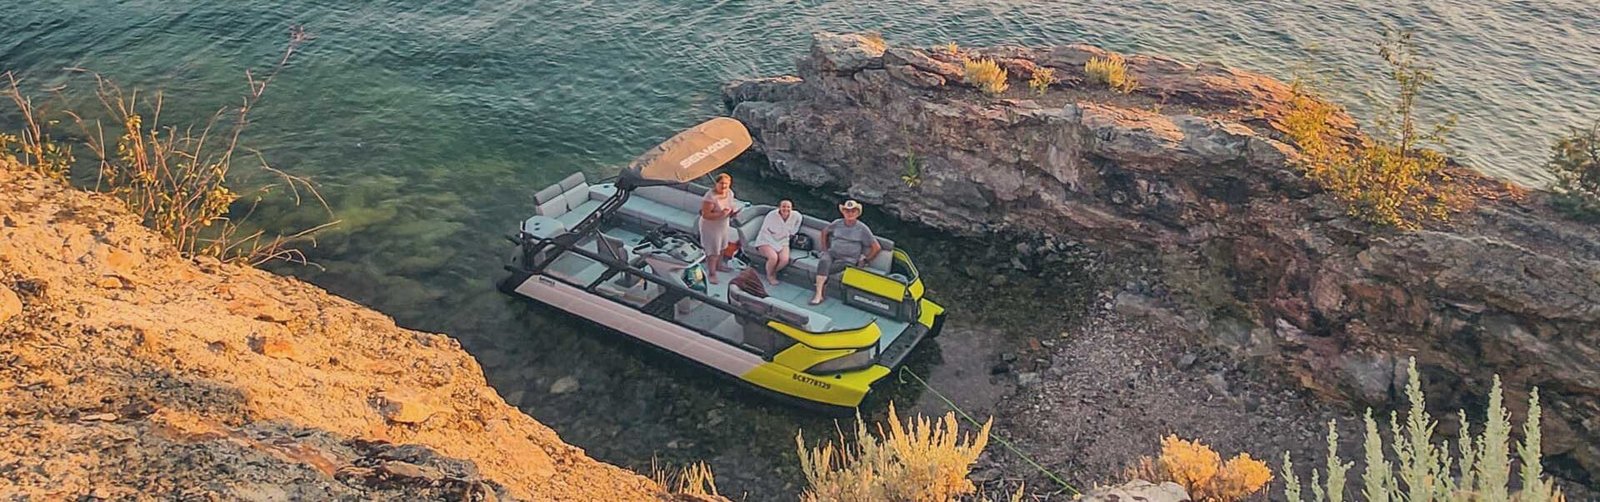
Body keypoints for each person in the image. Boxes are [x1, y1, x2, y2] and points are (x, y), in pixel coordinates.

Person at [810, 200, 880, 305]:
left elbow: (876, 247)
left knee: (826, 269)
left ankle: (820, 292)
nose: (850, 213)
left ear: (857, 213)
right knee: (824, 261)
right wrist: (824, 249)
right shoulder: (837, 223)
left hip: (848, 259)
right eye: (847, 211)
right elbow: (824, 232)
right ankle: (819, 295)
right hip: (832, 253)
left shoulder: (862, 228)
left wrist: (866, 259)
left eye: (853, 211)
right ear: (843, 212)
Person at [751, 199, 803, 286]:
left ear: (792, 208)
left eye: (788, 207)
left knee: (784, 260)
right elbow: (765, 231)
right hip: (766, 239)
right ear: (779, 207)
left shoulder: (796, 215)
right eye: (783, 206)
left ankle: (774, 271)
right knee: (773, 257)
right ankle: (770, 276)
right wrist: (775, 247)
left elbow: (798, 222)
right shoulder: (771, 215)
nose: (785, 209)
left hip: (783, 240)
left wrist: (792, 233)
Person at [697, 173, 737, 283]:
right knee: (713, 251)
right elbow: (706, 215)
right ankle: (712, 273)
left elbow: (730, 205)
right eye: (721, 183)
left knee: (723, 247)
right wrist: (721, 215)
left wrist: (732, 212)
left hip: (723, 225)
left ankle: (719, 266)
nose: (724, 186)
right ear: (716, 183)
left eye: (726, 184)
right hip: (711, 227)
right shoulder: (710, 198)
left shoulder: (729, 193)